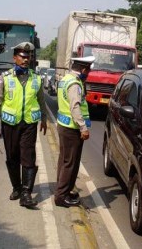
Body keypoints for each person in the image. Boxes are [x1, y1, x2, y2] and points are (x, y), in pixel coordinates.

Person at [0, 42, 47, 209]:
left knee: (28, 157)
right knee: (12, 156)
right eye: (22, 56)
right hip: (10, 124)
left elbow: (41, 100)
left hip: (29, 123)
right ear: (15, 58)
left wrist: (44, 118)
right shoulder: (5, 78)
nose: (26, 59)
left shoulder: (36, 78)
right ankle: (17, 187)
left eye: (28, 57)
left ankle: (26, 194)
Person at [54, 55, 95, 207]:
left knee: (64, 160)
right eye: (88, 70)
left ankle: (63, 190)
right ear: (83, 69)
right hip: (72, 128)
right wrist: (83, 128)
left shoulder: (65, 79)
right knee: (70, 163)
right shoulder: (75, 84)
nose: (88, 72)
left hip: (64, 125)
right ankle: (61, 196)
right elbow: (75, 107)